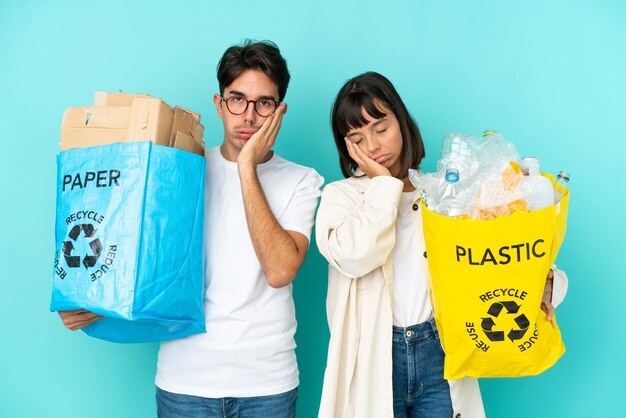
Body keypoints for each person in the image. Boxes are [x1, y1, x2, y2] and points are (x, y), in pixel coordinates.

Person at [59, 40, 324, 418]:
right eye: (237, 99)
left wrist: (246, 168)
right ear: (219, 105)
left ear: (279, 111)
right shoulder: (179, 170)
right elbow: (142, 259)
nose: (249, 116)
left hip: (267, 384)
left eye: (263, 103)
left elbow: (280, 270)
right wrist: (94, 304)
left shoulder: (302, 180)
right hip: (185, 382)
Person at [314, 71, 567, 418]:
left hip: (439, 354)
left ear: (401, 122)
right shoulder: (340, 197)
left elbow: (496, 258)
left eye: (381, 128)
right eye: (357, 138)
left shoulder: (443, 196)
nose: (372, 146)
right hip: (375, 356)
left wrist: (547, 283)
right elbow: (358, 256)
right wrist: (383, 185)